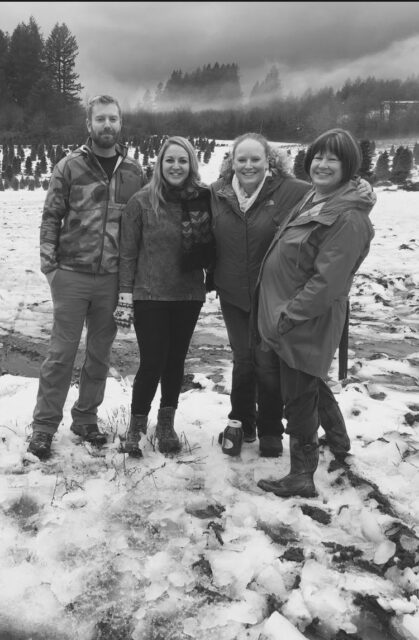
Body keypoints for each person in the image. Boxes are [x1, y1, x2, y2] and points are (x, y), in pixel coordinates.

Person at [210, 132, 356, 458]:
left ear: (269, 161)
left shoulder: (292, 190)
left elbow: (330, 195)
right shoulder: (217, 193)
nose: (248, 165)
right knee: (243, 360)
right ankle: (242, 423)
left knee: (270, 364)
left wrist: (357, 191)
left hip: (272, 296)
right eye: (241, 159)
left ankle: (272, 431)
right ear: (231, 162)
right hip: (233, 294)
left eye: (256, 159)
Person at [256, 128, 375, 498]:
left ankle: (302, 475)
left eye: (333, 159)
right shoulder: (317, 196)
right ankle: (339, 442)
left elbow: (329, 282)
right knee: (308, 380)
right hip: (287, 313)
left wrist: (289, 315)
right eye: (318, 157)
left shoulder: (348, 218)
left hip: (304, 318)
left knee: (299, 395)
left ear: (348, 165)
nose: (322, 164)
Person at [27, 95, 144, 460]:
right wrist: (51, 267)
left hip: (112, 279)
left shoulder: (134, 172)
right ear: (89, 124)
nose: (107, 125)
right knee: (61, 355)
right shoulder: (70, 166)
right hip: (72, 275)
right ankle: (44, 427)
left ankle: (85, 418)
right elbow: (51, 218)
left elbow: (139, 227)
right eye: (100, 119)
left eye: (113, 119)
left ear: (120, 124)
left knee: (98, 354)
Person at [114, 136, 214, 457]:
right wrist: (125, 297)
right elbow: (127, 254)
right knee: (153, 361)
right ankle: (136, 427)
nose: (176, 166)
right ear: (159, 164)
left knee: (175, 362)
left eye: (182, 160)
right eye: (169, 160)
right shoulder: (141, 203)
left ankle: (167, 424)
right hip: (150, 294)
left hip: (188, 295)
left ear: (191, 165)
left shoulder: (204, 199)